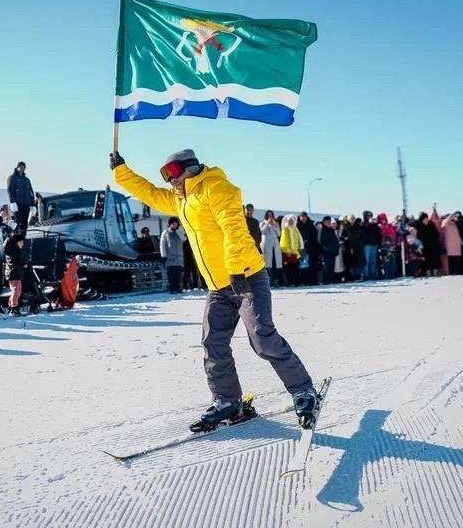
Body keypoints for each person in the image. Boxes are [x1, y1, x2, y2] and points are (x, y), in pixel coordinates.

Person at [110, 149, 319, 429]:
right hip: (218, 287)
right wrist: (121, 171)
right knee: (213, 343)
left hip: (245, 277)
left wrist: (234, 269)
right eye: (165, 175)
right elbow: (147, 192)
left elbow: (233, 228)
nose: (168, 180)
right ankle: (227, 400)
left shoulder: (217, 188)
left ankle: (303, 390)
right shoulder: (180, 200)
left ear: (190, 168)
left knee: (262, 338)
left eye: (172, 172)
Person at [7, 161, 36, 236]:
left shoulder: (26, 180)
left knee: (25, 222)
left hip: (26, 204)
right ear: (17, 167)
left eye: (24, 168)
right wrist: (12, 202)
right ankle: (16, 237)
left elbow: (31, 192)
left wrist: (32, 204)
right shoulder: (12, 178)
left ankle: (23, 237)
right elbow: (10, 190)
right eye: (21, 167)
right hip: (17, 204)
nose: (23, 169)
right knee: (18, 221)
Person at [3, 231, 27, 316]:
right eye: (21, 242)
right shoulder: (13, 252)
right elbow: (18, 261)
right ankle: (14, 308)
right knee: (16, 291)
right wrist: (24, 263)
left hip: (16, 273)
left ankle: (11, 306)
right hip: (14, 273)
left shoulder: (15, 251)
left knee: (17, 290)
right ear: (16, 243)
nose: (22, 244)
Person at [160, 216, 185, 294]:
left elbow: (184, 239)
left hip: (179, 257)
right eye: (173, 223)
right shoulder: (166, 232)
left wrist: (177, 231)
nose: (174, 225)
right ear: (170, 224)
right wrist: (163, 255)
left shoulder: (179, 232)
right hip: (170, 257)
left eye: (176, 223)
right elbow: (162, 244)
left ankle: (178, 288)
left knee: (179, 274)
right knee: (171, 274)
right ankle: (172, 289)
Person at [259, 210, 283, 286]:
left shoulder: (276, 224)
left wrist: (274, 226)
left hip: (275, 247)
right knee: (268, 265)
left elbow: (279, 234)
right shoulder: (262, 223)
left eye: (271, 215)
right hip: (267, 246)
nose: (270, 217)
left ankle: (276, 281)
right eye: (268, 215)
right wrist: (267, 224)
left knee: (276, 264)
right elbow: (263, 231)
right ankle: (269, 282)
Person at [279, 215, 303, 286]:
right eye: (290, 220)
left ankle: (297, 283)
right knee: (289, 270)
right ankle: (290, 283)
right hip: (288, 253)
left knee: (296, 269)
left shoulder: (295, 229)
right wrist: (287, 251)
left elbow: (299, 239)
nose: (291, 221)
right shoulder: (285, 229)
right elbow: (283, 242)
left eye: (292, 220)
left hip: (296, 253)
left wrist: (300, 247)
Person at [296, 212, 318, 285]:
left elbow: (314, 235)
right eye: (302, 216)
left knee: (312, 265)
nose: (303, 218)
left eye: (304, 216)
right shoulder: (297, 225)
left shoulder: (310, 224)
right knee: (304, 265)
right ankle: (304, 281)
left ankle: (313, 281)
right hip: (302, 248)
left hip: (311, 248)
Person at [318, 216, 339, 284]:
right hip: (326, 252)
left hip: (333, 252)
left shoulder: (331, 230)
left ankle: (331, 280)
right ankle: (326, 281)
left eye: (329, 222)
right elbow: (320, 241)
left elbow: (335, 240)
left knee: (332, 267)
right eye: (327, 222)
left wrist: (336, 248)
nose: (329, 223)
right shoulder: (322, 230)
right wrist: (326, 248)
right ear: (324, 222)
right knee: (327, 267)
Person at [362, 212, 381, 280]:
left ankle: (373, 275)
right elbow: (364, 230)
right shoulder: (363, 224)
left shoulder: (374, 225)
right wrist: (370, 223)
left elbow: (378, 233)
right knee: (367, 261)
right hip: (366, 245)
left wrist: (378, 243)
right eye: (368, 216)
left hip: (374, 245)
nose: (369, 217)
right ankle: (366, 275)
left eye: (371, 216)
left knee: (373, 261)